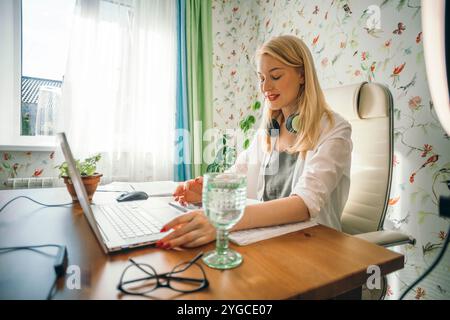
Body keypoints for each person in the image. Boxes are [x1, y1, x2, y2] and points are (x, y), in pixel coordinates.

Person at [156, 35, 352, 249]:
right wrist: (204, 191)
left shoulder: (335, 129)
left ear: (302, 75)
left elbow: (304, 204)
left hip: (316, 246)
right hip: (270, 241)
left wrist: (223, 219)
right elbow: (236, 175)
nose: (265, 87)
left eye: (275, 76)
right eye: (261, 78)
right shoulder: (269, 132)